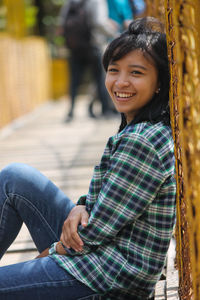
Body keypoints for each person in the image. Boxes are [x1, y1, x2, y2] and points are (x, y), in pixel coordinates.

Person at [0, 17, 176, 299]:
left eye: (137, 73)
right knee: (15, 178)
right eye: (114, 70)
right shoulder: (141, 128)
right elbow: (111, 197)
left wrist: (50, 253)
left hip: (109, 278)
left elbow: (93, 233)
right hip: (102, 255)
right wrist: (80, 206)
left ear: (159, 83)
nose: (121, 82)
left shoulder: (142, 142)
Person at [58, 0, 117, 121]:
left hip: (75, 47)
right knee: (100, 78)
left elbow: (62, 23)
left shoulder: (70, 2)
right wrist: (115, 34)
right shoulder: (96, 2)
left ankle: (71, 112)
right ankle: (105, 110)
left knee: (74, 80)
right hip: (93, 44)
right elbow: (99, 22)